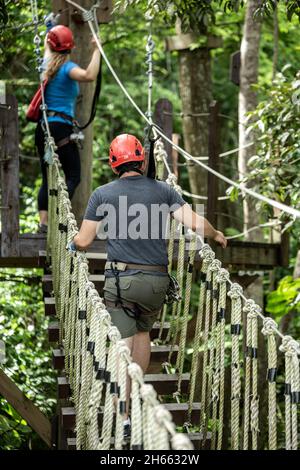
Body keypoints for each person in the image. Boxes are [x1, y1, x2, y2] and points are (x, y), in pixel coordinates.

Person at [70, 134, 227, 436]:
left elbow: (85, 240)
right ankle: (138, 393)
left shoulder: (102, 194)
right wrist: (216, 233)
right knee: (143, 333)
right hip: (156, 282)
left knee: (121, 343)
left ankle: (124, 411)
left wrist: (72, 245)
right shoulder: (164, 191)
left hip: (121, 281)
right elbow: (195, 223)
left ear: (113, 162)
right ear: (142, 159)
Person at [35, 24, 101, 233]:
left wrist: (49, 28)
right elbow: (90, 75)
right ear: (70, 48)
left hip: (43, 127)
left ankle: (43, 223)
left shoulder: (45, 65)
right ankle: (59, 215)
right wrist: (97, 49)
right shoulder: (67, 68)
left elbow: (49, 45)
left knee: (47, 177)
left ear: (51, 46)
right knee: (73, 176)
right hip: (61, 128)